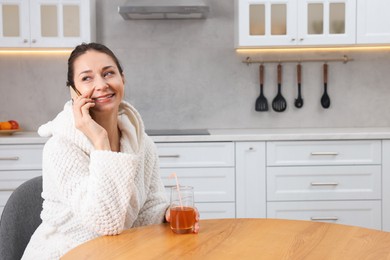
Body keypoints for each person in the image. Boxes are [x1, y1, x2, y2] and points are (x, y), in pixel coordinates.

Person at [22, 42, 199, 259]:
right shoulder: (60, 148)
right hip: (65, 254)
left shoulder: (142, 144)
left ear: (122, 78)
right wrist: (100, 141)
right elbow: (105, 224)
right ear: (73, 90)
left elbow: (142, 212)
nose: (101, 84)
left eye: (109, 73)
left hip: (118, 252)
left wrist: (166, 214)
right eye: (87, 78)